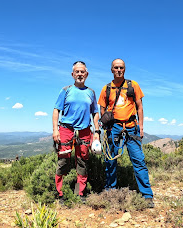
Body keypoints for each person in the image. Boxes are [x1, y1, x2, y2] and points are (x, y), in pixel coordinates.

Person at [98, 58, 154, 208]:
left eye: (121, 67)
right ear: (111, 70)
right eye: (116, 67)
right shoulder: (106, 88)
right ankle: (110, 192)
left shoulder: (133, 85)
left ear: (124, 69)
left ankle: (147, 195)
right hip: (113, 128)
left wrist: (141, 127)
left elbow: (140, 107)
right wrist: (105, 126)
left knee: (139, 161)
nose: (118, 70)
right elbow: (102, 110)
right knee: (110, 161)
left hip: (131, 126)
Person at [52, 61, 100, 204]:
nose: (80, 74)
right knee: (63, 161)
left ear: (87, 74)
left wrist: (96, 131)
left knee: (82, 161)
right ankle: (61, 194)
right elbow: (56, 111)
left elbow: (95, 113)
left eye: (82, 71)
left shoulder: (91, 92)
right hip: (66, 129)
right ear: (72, 74)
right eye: (77, 72)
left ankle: (80, 192)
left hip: (85, 131)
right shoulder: (66, 90)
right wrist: (55, 130)